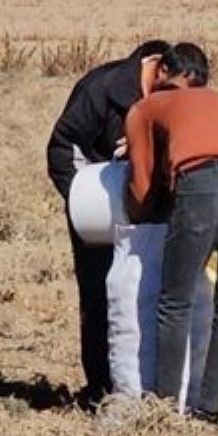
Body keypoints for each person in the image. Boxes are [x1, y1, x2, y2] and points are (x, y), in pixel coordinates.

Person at [124, 43, 218, 423]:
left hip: (203, 185)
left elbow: (139, 189)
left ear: (162, 73)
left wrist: (138, 210)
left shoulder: (145, 107)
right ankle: (209, 411)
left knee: (175, 302)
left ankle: (165, 411)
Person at [46, 39, 171, 409]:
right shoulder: (101, 87)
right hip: (97, 211)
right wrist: (83, 197)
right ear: (157, 67)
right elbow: (61, 147)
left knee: (154, 295)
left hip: (152, 212)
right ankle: (102, 390)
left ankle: (152, 386)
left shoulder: (176, 92)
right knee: (100, 298)